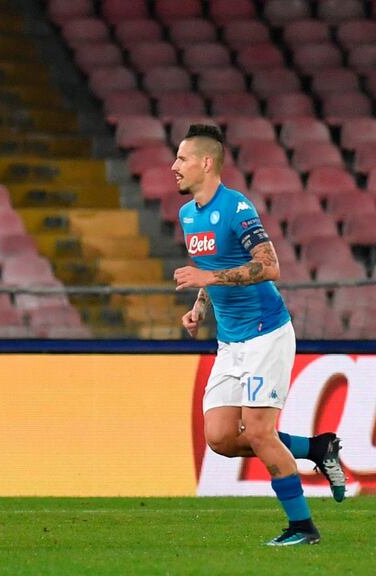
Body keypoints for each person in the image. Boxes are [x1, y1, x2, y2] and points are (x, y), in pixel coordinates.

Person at [172, 124, 346, 546]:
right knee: (221, 437)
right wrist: (198, 308)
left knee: (259, 431)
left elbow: (269, 266)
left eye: (181, 159)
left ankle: (303, 527)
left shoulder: (237, 208)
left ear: (206, 163)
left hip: (266, 333)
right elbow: (209, 269)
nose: (174, 167)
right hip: (230, 342)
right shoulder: (188, 214)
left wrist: (208, 276)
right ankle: (317, 449)